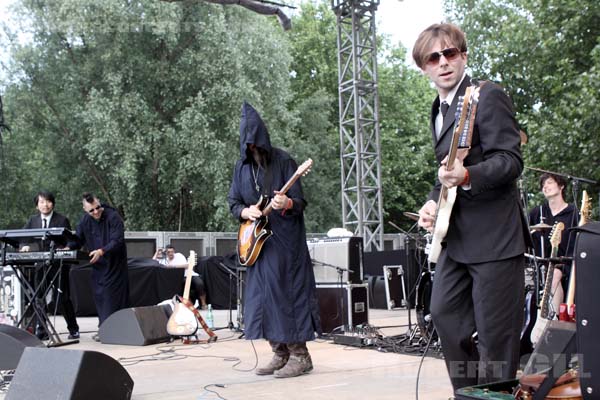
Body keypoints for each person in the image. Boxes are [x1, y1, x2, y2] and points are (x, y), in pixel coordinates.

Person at [413, 23, 529, 391]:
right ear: (424, 67)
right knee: (445, 317)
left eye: (450, 53)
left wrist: (467, 176)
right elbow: (445, 173)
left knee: (497, 341)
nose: (443, 62)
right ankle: (469, 394)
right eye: (434, 57)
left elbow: (510, 160)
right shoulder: (438, 109)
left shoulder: (485, 95)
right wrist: (432, 203)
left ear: (463, 56)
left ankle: (497, 395)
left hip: (495, 239)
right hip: (457, 239)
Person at [227, 102, 321, 378]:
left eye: (257, 147)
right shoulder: (241, 168)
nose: (254, 152)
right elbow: (233, 202)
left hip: (284, 243)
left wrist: (287, 202)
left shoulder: (284, 161)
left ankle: (300, 356)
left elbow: (301, 202)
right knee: (261, 300)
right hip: (258, 245)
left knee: (285, 297)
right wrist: (246, 210)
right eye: (249, 148)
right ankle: (280, 353)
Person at [21, 190, 80, 340]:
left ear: (52, 203)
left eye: (47, 201)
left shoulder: (62, 220)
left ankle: (73, 329)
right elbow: (22, 237)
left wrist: (68, 247)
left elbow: (71, 241)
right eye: (41, 202)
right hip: (40, 264)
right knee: (38, 296)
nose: (45, 205)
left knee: (62, 297)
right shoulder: (32, 221)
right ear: (37, 205)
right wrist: (25, 246)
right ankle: (42, 330)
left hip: (58, 264)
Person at [68, 193, 129, 335]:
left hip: (115, 265)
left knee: (111, 297)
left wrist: (101, 251)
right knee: (100, 296)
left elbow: (117, 240)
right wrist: (66, 247)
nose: (96, 212)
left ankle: (111, 329)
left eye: (97, 208)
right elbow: (78, 240)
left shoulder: (113, 216)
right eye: (91, 210)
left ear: (99, 202)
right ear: (85, 209)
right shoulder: (84, 221)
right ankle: (105, 327)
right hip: (98, 266)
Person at [529, 173, 578, 313]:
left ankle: (555, 320)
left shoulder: (574, 213)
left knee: (555, 274)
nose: (545, 186)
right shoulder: (537, 212)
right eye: (543, 184)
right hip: (539, 263)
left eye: (549, 182)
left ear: (561, 186)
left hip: (566, 263)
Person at [153, 245, 208, 309]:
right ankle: (189, 304)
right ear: (166, 253)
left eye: (172, 252)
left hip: (189, 274)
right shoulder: (164, 260)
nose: (171, 253)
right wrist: (157, 252)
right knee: (182, 286)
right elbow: (153, 262)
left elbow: (187, 265)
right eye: (169, 252)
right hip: (178, 278)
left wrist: (173, 266)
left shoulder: (179, 255)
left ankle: (203, 303)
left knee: (199, 284)